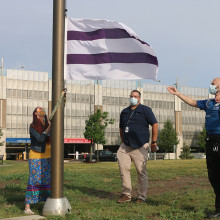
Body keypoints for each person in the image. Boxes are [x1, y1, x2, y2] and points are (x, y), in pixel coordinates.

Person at [167, 78, 220, 218]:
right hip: (210, 140)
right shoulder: (209, 103)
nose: (211, 86)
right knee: (213, 176)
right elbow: (193, 102)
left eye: (213, 84)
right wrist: (178, 94)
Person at [117, 90, 158, 204]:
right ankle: (126, 194)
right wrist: (123, 141)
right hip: (125, 146)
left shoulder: (146, 110)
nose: (133, 98)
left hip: (140, 146)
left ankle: (141, 197)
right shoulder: (124, 112)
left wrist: (153, 142)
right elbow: (121, 128)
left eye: (135, 96)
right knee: (123, 169)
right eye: (131, 96)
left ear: (139, 98)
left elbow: (155, 124)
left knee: (141, 172)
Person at [24, 107, 52, 215]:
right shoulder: (32, 127)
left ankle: (46, 203)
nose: (42, 110)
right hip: (36, 157)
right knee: (34, 180)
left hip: (48, 157)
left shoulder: (47, 126)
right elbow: (40, 139)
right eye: (39, 110)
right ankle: (27, 207)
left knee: (46, 180)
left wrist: (49, 126)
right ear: (35, 114)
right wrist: (48, 128)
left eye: (42, 110)